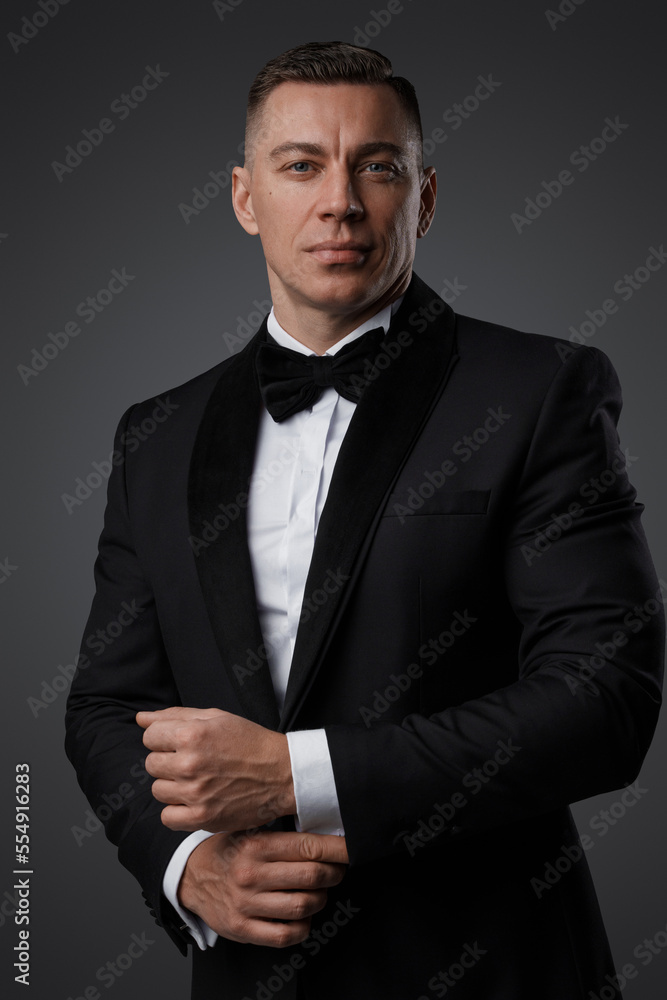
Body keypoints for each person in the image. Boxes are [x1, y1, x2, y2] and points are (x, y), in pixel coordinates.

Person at [65, 41, 664, 1000]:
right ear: (244, 197)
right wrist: (185, 870)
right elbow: (102, 704)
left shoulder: (542, 389)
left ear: (422, 198)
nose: (339, 200)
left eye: (376, 167)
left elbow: (606, 697)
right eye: (300, 165)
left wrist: (293, 775)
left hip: (494, 968)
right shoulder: (157, 435)